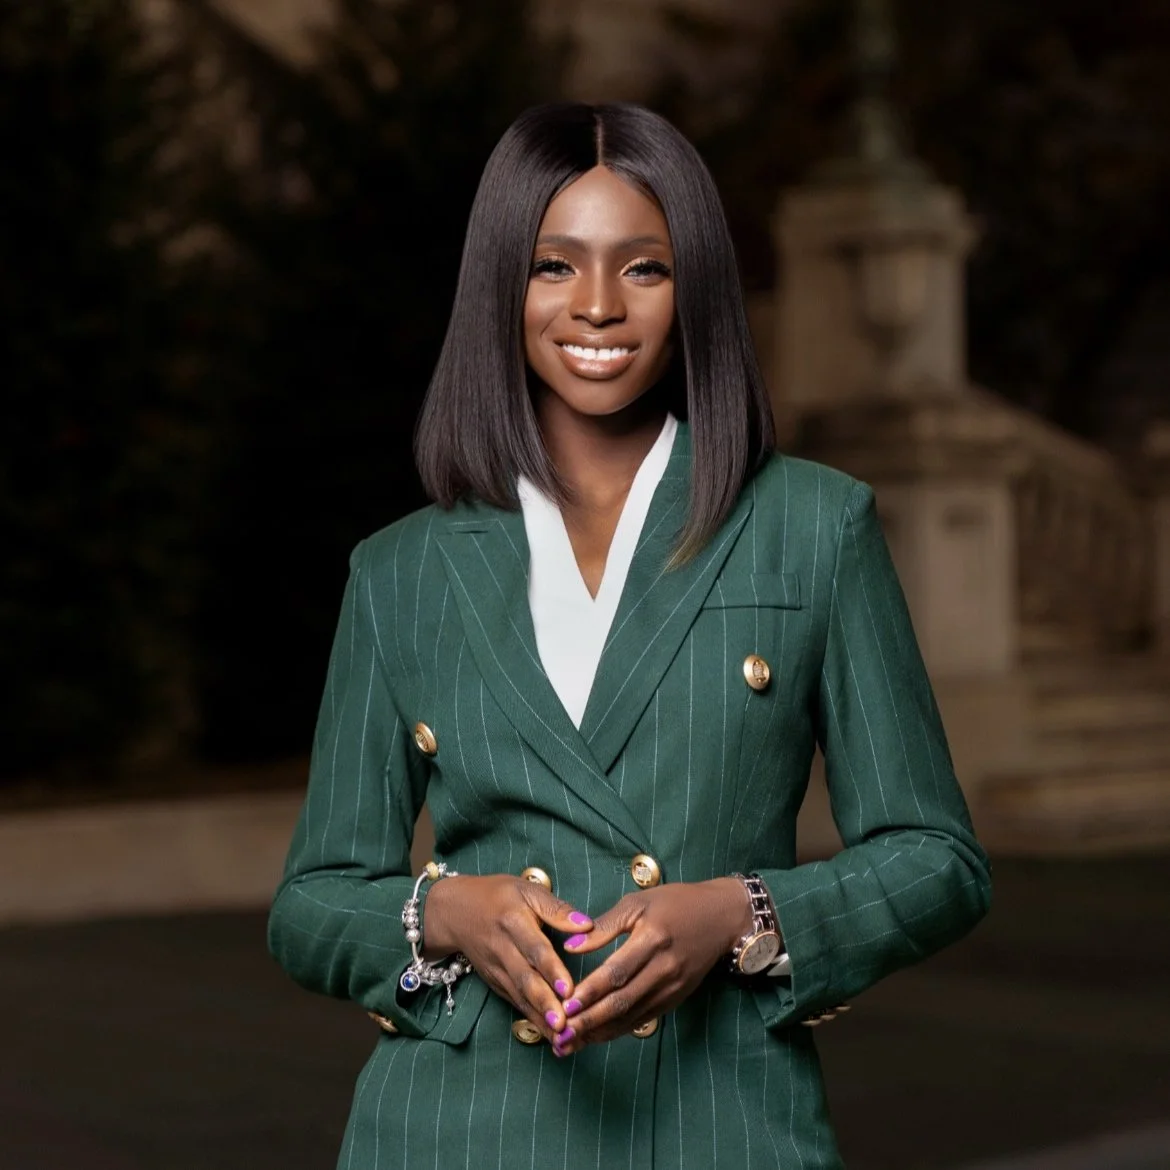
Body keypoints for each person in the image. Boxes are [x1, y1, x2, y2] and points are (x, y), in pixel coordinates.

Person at [267, 102, 992, 1169]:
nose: (598, 307)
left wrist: (746, 914)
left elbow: (939, 862)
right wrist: (447, 914)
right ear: (499, 288)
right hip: (451, 1131)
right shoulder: (399, 571)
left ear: (693, 284)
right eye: (554, 266)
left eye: (642, 269)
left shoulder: (812, 526)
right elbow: (309, 905)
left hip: (721, 1124)